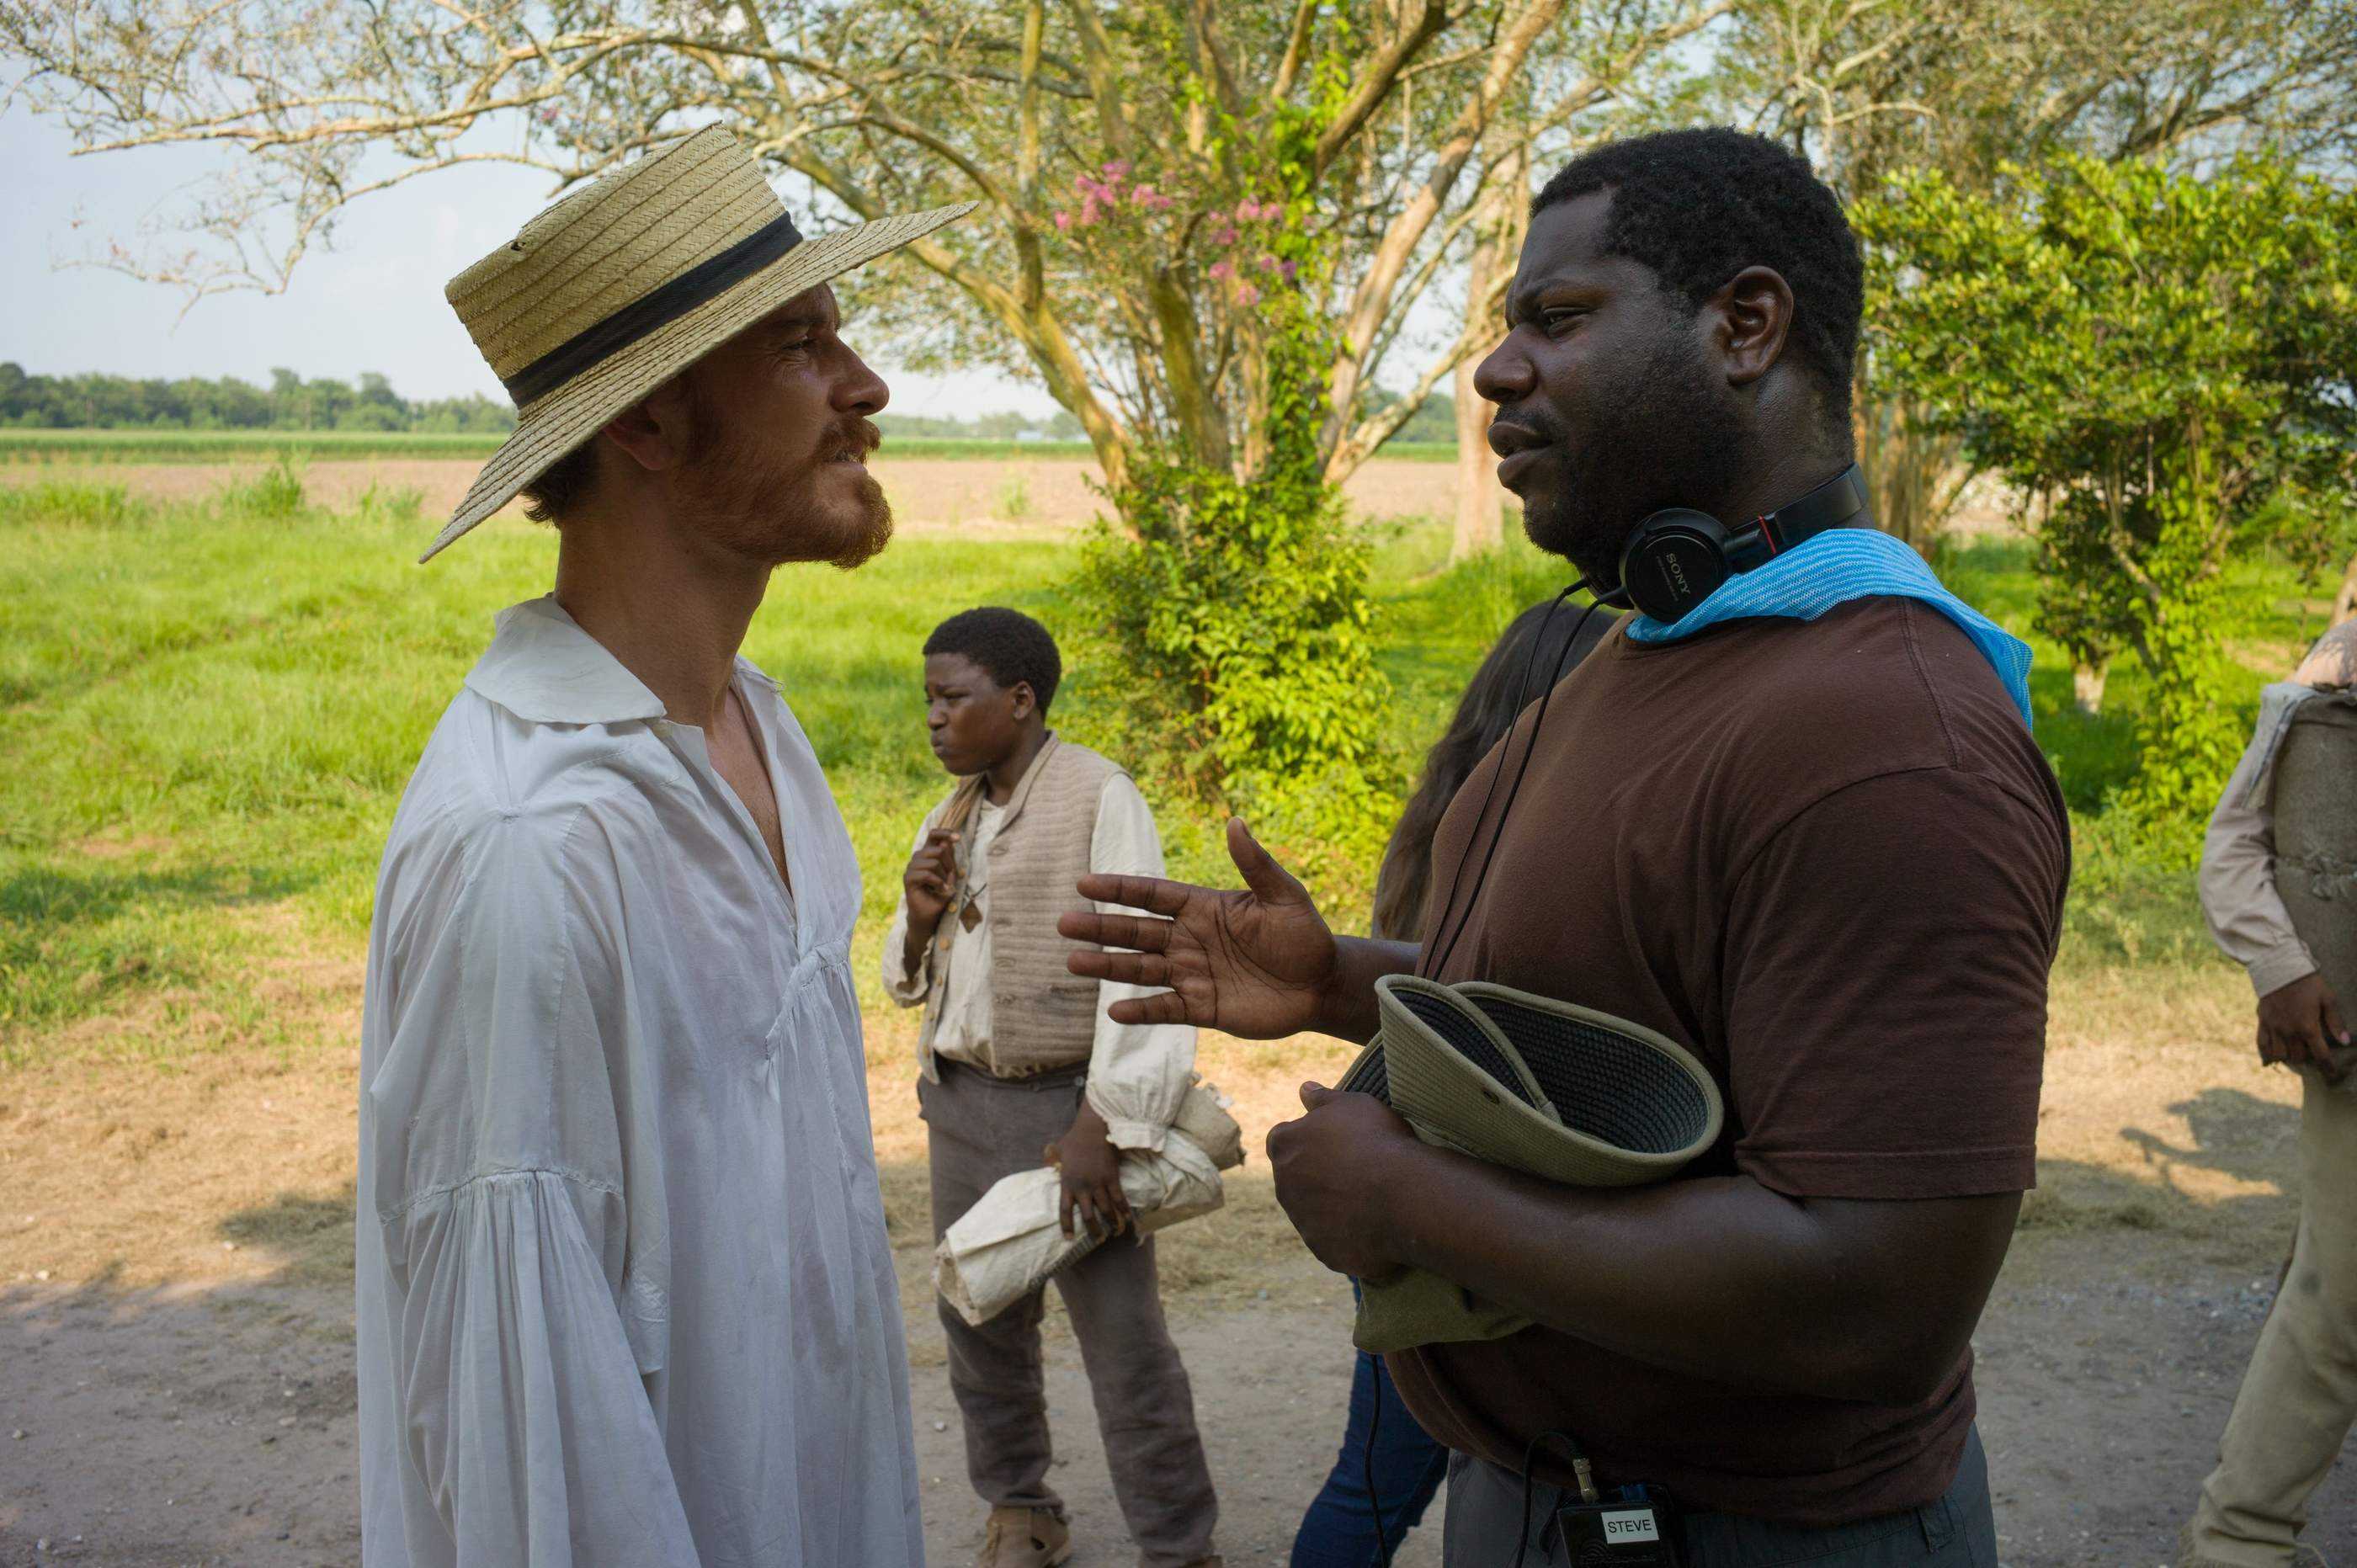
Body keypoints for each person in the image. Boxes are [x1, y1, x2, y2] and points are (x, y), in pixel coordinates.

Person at [1062, 127, 2067, 1567]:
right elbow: (1618, 1017)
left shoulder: (1888, 736)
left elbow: (1879, 1299)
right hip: (1546, 1498)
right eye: (1507, 325)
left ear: (1745, 326)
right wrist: (1345, 979)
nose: (1495, 370)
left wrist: (1410, 1199)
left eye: (1560, 317)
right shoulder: (1653, 643)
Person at [355, 127, 971, 1565]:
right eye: (801, 346)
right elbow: (530, 1454)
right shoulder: (530, 845)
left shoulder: (760, 729)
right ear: (643, 423)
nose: (867, 387)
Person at [882, 606, 1223, 1568]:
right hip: (962, 1108)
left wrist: (1101, 1127)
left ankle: (1179, 1543)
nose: (934, 718)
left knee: (1124, 1344)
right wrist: (917, 917)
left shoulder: (1099, 797)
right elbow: (908, 979)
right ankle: (1022, 1507)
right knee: (978, 1322)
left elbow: (1141, 971)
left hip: (1070, 1118)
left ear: (1021, 700)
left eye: (953, 698)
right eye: (928, 700)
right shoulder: (950, 815)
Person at [1291, 597, 1617, 1567]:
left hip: (1406, 1172)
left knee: (1377, 1482)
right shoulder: (1548, 836)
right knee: (1409, 1484)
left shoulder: (1445, 816)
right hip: (1477, 1199)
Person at [2180, 619, 2357, 1568]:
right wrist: (2283, 963)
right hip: (2353, 1066)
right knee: (2338, 1303)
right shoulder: (2338, 668)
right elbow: (2237, 838)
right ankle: (2238, 1540)